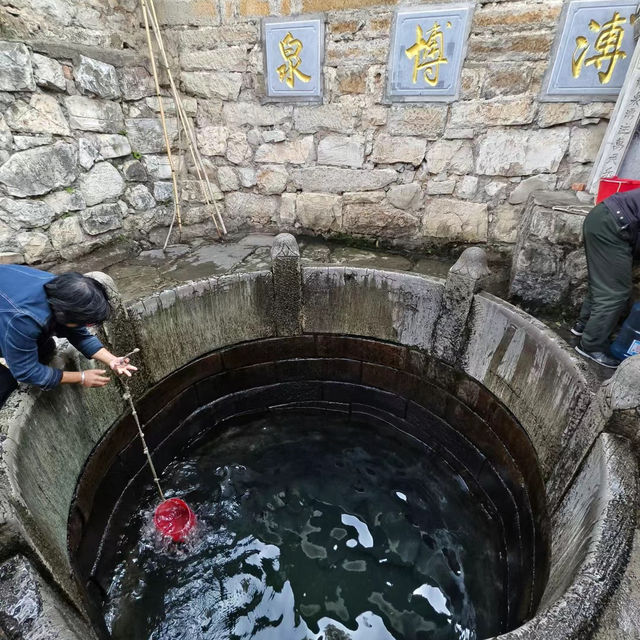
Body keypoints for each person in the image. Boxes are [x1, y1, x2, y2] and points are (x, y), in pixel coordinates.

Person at [0, 265, 137, 407]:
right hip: (10, 312)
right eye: (85, 323)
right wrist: (81, 377)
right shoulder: (22, 320)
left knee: (45, 349)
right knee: (4, 384)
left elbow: (79, 335)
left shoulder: (61, 290)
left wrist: (112, 360)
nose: (85, 327)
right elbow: (26, 371)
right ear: (65, 315)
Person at [572, 187, 640, 368]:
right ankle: (591, 346)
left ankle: (583, 326)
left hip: (605, 217)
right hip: (612, 226)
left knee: (605, 284)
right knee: (615, 293)